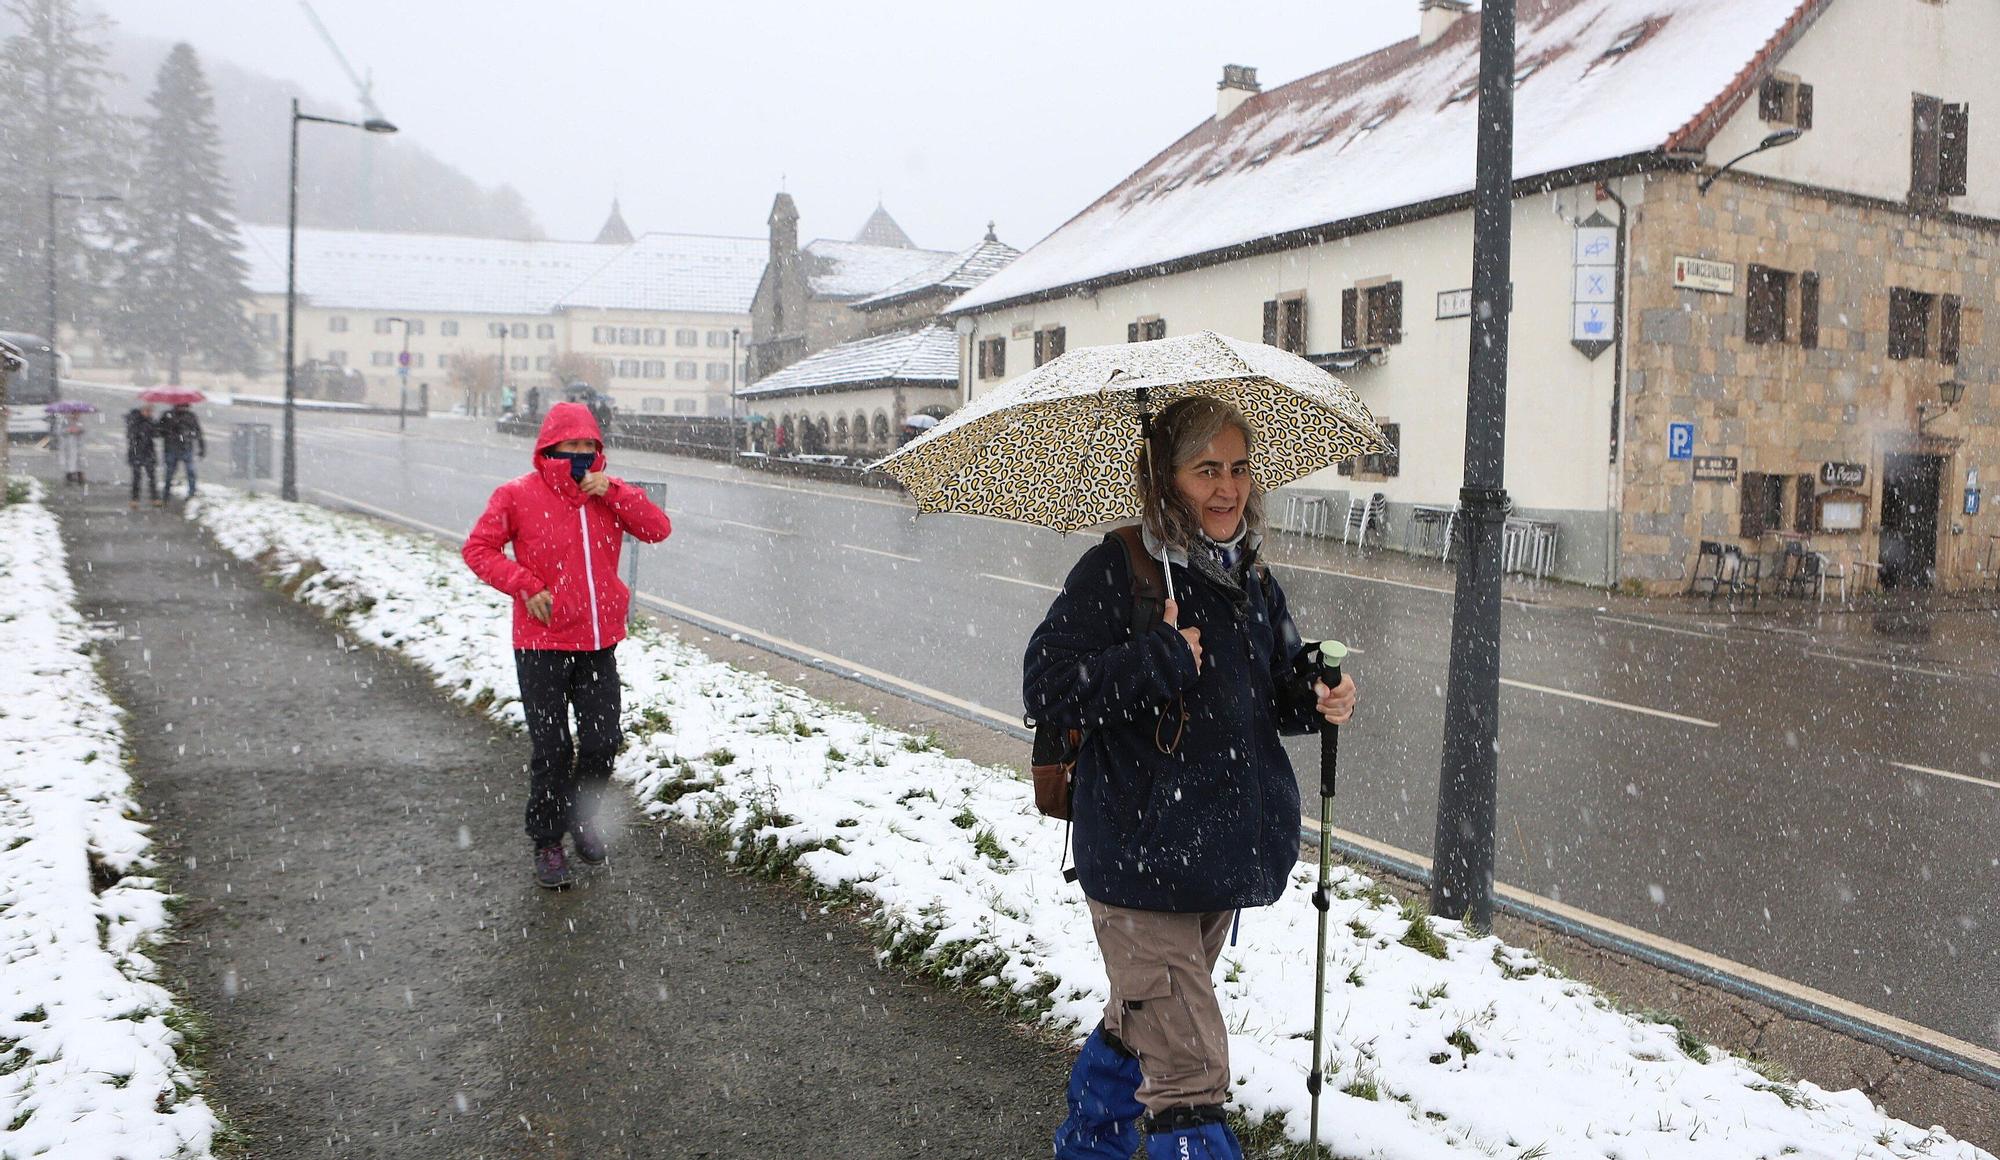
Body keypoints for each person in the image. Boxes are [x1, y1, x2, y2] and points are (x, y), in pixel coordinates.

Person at [1023, 397, 1357, 1160]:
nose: (1227, 488)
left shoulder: (1251, 574)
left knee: (1142, 1018)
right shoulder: (1121, 568)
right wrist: (1161, 658)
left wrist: (1316, 692)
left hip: (1211, 852)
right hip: (1140, 858)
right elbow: (1047, 685)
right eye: (1206, 469)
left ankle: (1088, 1146)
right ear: (1164, 479)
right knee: (1190, 1071)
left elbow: (1269, 691)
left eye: (1239, 469)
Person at [461, 402, 672, 889]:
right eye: (570, 445)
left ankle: (583, 820)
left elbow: (657, 529)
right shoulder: (517, 495)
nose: (579, 454)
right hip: (541, 645)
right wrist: (524, 584)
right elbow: (478, 549)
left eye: (588, 446)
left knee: (601, 743)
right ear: (549, 448)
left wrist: (614, 491)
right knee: (552, 749)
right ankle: (548, 842)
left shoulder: (608, 493)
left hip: (598, 643)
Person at [158, 402, 204, 499]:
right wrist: (170, 430)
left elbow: (198, 432)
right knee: (170, 472)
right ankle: (166, 493)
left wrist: (201, 446)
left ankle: (191, 492)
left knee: (188, 471)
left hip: (184, 448)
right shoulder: (168, 415)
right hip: (173, 448)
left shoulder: (190, 416)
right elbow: (159, 430)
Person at [125, 403, 159, 509]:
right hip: (136, 452)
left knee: (152, 476)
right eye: (147, 411)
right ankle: (135, 499)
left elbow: (156, 434)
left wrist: (152, 427)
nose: (149, 413)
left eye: (150, 411)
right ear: (142, 410)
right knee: (136, 477)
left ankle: (154, 498)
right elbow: (131, 435)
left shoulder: (150, 421)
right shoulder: (134, 420)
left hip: (149, 452)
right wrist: (143, 430)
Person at [57, 412, 86, 485]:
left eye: (78, 414)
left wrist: (79, 431)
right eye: (74, 414)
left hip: (78, 445)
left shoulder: (80, 422)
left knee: (79, 461)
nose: (76, 416)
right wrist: (68, 430)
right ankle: (69, 477)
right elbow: (59, 431)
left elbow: (84, 429)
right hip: (68, 445)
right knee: (70, 461)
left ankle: (80, 478)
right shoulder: (64, 421)